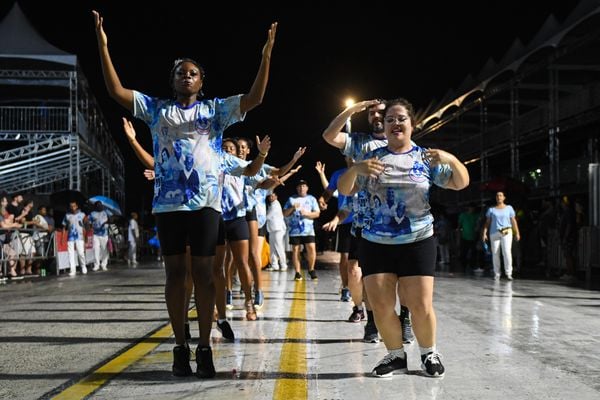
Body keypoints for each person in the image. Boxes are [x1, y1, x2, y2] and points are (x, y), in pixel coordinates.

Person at [94, 10, 277, 378]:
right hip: (168, 204)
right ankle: (180, 346)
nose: (186, 76)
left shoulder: (215, 111)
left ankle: (205, 347)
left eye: (193, 73)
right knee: (175, 276)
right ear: (173, 80)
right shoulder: (156, 109)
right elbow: (115, 91)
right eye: (181, 72)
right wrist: (103, 45)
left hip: (205, 206)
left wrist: (266, 55)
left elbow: (254, 98)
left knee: (206, 275)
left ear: (201, 81)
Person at [338, 98, 469, 378]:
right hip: (375, 242)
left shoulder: (425, 158)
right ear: (383, 126)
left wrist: (451, 159)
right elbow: (345, 189)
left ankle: (428, 353)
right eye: (390, 120)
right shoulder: (372, 160)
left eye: (401, 119)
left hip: (418, 240)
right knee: (383, 305)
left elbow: (461, 182)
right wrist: (355, 170)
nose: (395, 123)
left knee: (420, 305)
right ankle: (395, 355)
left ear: (412, 124)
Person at [322, 99, 413, 344]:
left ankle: (404, 320)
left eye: (381, 112)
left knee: (403, 277)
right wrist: (351, 111)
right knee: (367, 276)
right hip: (365, 221)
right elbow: (329, 135)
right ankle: (371, 320)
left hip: (398, 220)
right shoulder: (360, 142)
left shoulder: (403, 142)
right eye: (372, 113)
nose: (375, 116)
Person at [283, 180, 320, 280]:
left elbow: (317, 213)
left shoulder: (311, 199)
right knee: (295, 250)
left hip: (308, 230)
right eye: (299, 186)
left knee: (311, 248)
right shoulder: (291, 199)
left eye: (303, 186)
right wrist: (292, 208)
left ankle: (311, 269)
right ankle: (297, 272)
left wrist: (307, 214)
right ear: (297, 188)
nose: (301, 188)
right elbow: (285, 213)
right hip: (295, 230)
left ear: (307, 188)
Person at [482, 192, 521, 280]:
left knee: (506, 252)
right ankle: (497, 273)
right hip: (494, 233)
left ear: (504, 198)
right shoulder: (491, 209)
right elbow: (487, 222)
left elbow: (513, 221)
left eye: (500, 195)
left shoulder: (509, 208)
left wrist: (517, 233)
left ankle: (508, 273)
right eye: (497, 196)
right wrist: (484, 233)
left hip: (506, 231)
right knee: (495, 253)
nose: (499, 197)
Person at [62, 201, 88, 276]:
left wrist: (86, 236)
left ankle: (83, 266)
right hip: (70, 237)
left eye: (74, 206)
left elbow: (86, 225)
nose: (73, 208)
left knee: (81, 253)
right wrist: (63, 238)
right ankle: (72, 270)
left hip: (79, 237)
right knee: (71, 254)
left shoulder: (82, 214)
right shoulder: (67, 215)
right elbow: (64, 226)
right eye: (71, 206)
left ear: (76, 206)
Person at [89, 201, 110, 271]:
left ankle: (104, 264)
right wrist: (91, 226)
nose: (100, 206)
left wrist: (107, 222)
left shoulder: (106, 212)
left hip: (104, 234)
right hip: (96, 234)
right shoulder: (92, 214)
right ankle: (96, 265)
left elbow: (112, 219)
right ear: (96, 206)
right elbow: (89, 222)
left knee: (105, 250)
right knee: (96, 249)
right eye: (98, 205)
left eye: (100, 205)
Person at [457, 205, 478, 271]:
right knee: (464, 252)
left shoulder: (476, 215)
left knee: (473, 252)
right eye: (470, 207)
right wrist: (458, 236)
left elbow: (478, 225)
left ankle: (472, 265)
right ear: (468, 208)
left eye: (473, 208)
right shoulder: (463, 215)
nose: (472, 209)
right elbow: (459, 226)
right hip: (464, 237)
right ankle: (463, 266)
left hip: (473, 237)